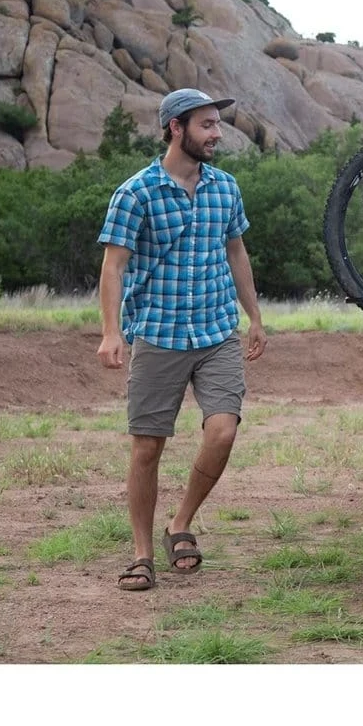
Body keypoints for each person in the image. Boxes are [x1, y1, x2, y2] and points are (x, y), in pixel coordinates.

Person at [97, 88, 267, 591]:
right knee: (147, 446)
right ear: (176, 128)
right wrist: (111, 331)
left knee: (223, 432)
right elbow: (113, 267)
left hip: (216, 331)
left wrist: (255, 317)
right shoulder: (136, 193)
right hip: (158, 333)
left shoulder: (225, 187)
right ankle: (142, 554)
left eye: (218, 124)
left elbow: (236, 252)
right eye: (206, 125)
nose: (217, 134)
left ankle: (180, 522)